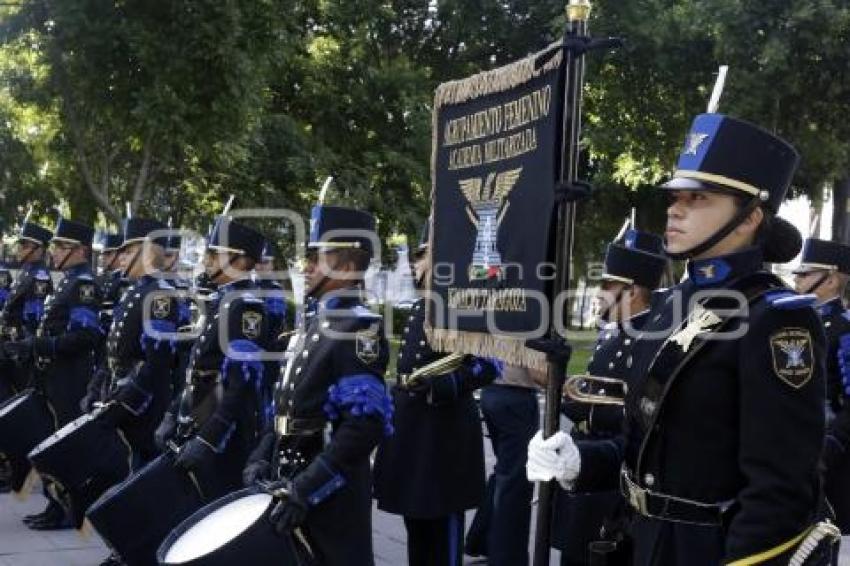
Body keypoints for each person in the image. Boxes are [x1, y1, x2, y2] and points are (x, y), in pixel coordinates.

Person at [528, 113, 832, 564]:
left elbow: (779, 491)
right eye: (675, 197)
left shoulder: (776, 319)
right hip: (637, 542)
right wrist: (581, 463)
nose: (674, 209)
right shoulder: (667, 306)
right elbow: (649, 449)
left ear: (750, 217)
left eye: (698, 198)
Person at [243, 205, 393, 566]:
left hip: (329, 491)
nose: (305, 267)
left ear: (346, 266)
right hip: (289, 474)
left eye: (316, 258)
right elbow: (284, 407)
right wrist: (260, 455)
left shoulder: (359, 327)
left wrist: (307, 489)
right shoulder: (318, 321)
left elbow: (363, 427)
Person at [373, 222, 502, 566]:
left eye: (422, 254)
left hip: (444, 434)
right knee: (416, 525)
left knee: (442, 532)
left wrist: (444, 385)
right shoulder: (423, 305)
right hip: (413, 429)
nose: (416, 263)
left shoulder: (464, 304)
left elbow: (490, 364)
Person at [552, 229, 667, 565]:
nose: (598, 294)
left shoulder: (651, 337)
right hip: (585, 454)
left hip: (612, 468)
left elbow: (639, 411)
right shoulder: (611, 332)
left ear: (631, 291)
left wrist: (587, 412)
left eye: (606, 286)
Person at [163, 217, 272, 499]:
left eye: (214, 254)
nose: (207, 260)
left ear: (240, 260)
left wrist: (209, 439)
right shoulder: (225, 300)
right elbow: (200, 369)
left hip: (226, 432)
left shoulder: (247, 306)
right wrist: (174, 412)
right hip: (201, 413)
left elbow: (241, 383)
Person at [5, 217, 103, 530]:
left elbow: (85, 335)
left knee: (62, 444)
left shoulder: (84, 284)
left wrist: (39, 344)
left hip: (69, 377)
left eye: (63, 246)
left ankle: (65, 509)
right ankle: (53, 504)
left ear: (81, 251)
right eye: (57, 245)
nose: (56, 251)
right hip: (51, 375)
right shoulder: (69, 280)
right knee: (47, 440)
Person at [98, 218, 181, 466]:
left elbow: (156, 361)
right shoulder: (135, 291)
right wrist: (99, 385)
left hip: (143, 406)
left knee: (137, 469)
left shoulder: (160, 294)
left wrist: (126, 403)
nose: (121, 257)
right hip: (119, 392)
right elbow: (116, 348)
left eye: (129, 251)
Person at [793, 238, 850, 533]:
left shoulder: (844, 329)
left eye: (804, 274)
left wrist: (828, 448)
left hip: (832, 463)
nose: (796, 280)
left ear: (829, 279)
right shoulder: (797, 322)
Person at [465, 364, 543, 566]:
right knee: (517, 481)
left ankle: (483, 539)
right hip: (517, 396)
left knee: (505, 471)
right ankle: (507, 557)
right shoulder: (532, 329)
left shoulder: (499, 328)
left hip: (492, 392)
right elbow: (539, 372)